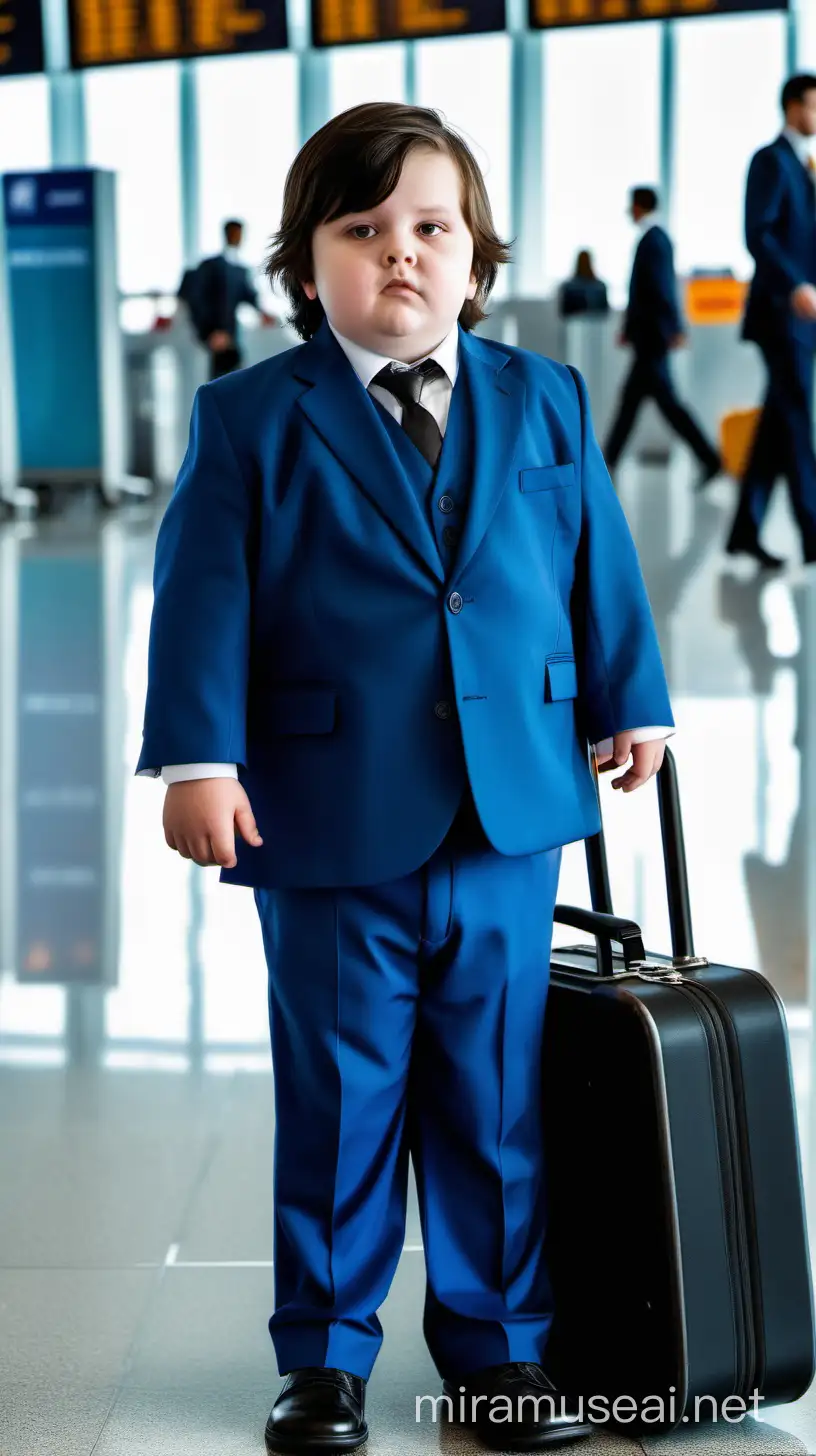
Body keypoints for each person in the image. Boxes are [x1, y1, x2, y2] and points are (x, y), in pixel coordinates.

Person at [136, 103, 674, 1454]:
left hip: (507, 808)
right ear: (304, 265)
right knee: (341, 1092)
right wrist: (198, 758)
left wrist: (634, 701)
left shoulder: (540, 395)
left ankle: (501, 1353)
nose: (400, 258)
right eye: (362, 232)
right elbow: (202, 594)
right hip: (323, 815)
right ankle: (322, 1355)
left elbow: (592, 559)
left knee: (496, 1092)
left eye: (431, 230)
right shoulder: (253, 414)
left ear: (476, 260)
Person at [724, 73, 816, 571]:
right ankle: (813, 534)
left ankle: (745, 531)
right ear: (792, 107)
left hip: (803, 319)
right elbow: (758, 234)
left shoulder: (807, 166)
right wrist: (796, 285)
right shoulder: (771, 160)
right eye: (814, 106)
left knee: (780, 426)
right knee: (799, 419)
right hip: (782, 313)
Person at [604, 187, 722, 489]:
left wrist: (673, 329)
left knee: (660, 404)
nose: (629, 212)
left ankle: (709, 458)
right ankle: (608, 460)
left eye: (631, 206)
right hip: (649, 335)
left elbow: (660, 289)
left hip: (652, 338)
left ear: (641, 206)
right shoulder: (655, 239)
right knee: (636, 402)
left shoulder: (654, 240)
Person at [181, 219, 276, 379]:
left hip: (230, 336)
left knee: (234, 378)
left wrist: (262, 312)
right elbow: (196, 299)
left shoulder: (238, 269)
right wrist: (209, 332)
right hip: (215, 336)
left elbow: (247, 294)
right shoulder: (211, 266)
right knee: (218, 383)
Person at [557, 249, 609, 318]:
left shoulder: (569, 286)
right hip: (577, 324)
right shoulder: (600, 286)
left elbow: (604, 311)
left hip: (593, 324)